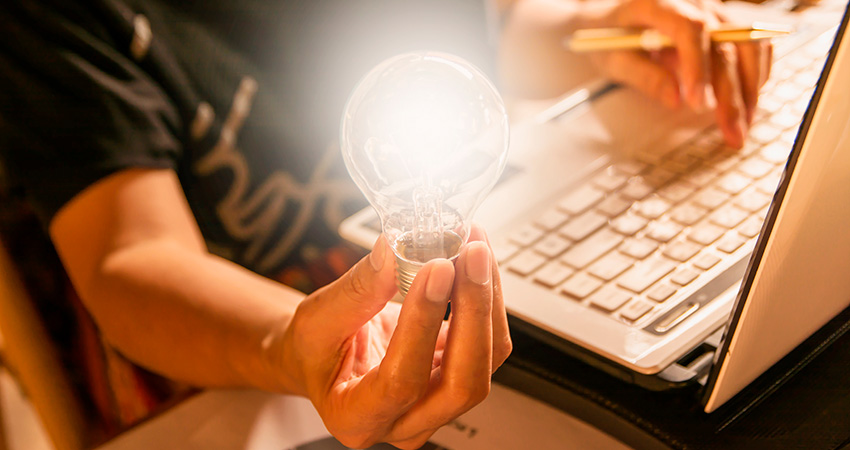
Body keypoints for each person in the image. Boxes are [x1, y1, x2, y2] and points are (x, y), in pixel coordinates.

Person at [0, 0, 769, 448]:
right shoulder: (63, 18)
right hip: (240, 349)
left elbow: (492, 40)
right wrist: (289, 345)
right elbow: (132, 256)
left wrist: (602, 28)